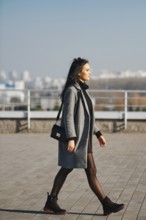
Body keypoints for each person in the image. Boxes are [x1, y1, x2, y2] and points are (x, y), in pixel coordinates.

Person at [44, 57, 124, 216]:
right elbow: (68, 117)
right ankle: (53, 201)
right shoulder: (71, 91)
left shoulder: (82, 90)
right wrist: (71, 138)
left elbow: (86, 118)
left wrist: (98, 133)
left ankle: (52, 201)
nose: (90, 72)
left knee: (83, 170)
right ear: (78, 72)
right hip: (77, 140)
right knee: (73, 169)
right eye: (87, 70)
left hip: (84, 139)